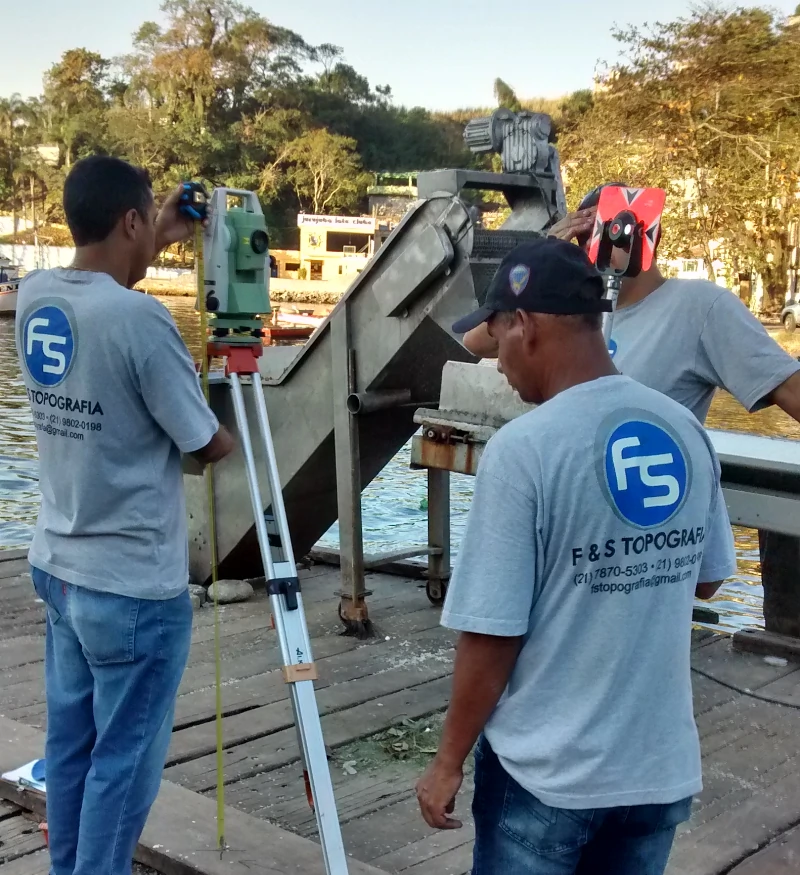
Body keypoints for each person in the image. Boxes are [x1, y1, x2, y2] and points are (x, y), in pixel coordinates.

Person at [415, 238, 736, 874]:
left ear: (525, 326)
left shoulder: (525, 449)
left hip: (548, 777)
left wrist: (447, 761)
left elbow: (491, 635)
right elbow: (707, 581)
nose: (497, 361)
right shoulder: (683, 428)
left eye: (496, 335)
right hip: (657, 772)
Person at [15, 155, 234, 875]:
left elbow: (103, 287)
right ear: (130, 219)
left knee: (71, 747)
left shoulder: (36, 294)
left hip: (61, 568)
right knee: (122, 763)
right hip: (134, 585)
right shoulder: (141, 319)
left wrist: (157, 234)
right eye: (146, 222)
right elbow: (207, 446)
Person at [462, 183, 800, 426]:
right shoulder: (576, 311)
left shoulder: (699, 307)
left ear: (652, 238)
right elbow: (477, 340)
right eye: (585, 239)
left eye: (614, 235)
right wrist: (546, 257)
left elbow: (789, 388)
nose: (598, 250)